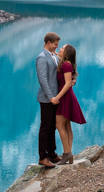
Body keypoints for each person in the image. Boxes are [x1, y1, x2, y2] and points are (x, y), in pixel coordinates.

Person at [54, 44, 86, 165]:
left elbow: (67, 83)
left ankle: (67, 154)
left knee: (59, 125)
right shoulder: (65, 62)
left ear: (66, 53)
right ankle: (69, 154)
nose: (59, 49)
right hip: (66, 96)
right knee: (66, 126)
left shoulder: (66, 65)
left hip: (64, 97)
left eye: (62, 48)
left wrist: (57, 97)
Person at [35, 32, 63, 168]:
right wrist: (51, 96)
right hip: (47, 99)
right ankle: (43, 157)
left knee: (52, 127)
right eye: (55, 45)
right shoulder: (41, 58)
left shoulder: (53, 56)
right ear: (48, 43)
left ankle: (52, 154)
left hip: (55, 98)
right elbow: (42, 79)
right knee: (45, 127)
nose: (57, 47)